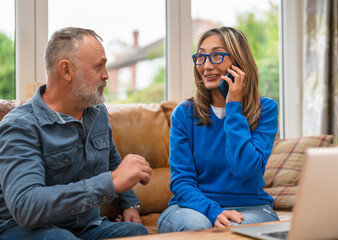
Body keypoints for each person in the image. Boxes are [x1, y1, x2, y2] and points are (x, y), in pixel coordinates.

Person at [0, 27, 152, 239]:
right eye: (99, 67)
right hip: (28, 230)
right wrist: (111, 182)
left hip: (86, 227)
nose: (106, 75)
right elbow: (26, 206)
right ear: (66, 70)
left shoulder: (97, 113)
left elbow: (111, 162)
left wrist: (129, 203)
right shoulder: (20, 126)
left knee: (135, 233)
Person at [157, 27, 279, 233]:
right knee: (196, 225)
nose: (206, 66)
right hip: (193, 209)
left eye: (216, 56)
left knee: (236, 229)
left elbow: (244, 169)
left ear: (238, 62)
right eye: (201, 57)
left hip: (252, 208)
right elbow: (182, 182)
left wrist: (234, 107)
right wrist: (213, 211)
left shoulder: (265, 109)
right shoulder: (184, 114)